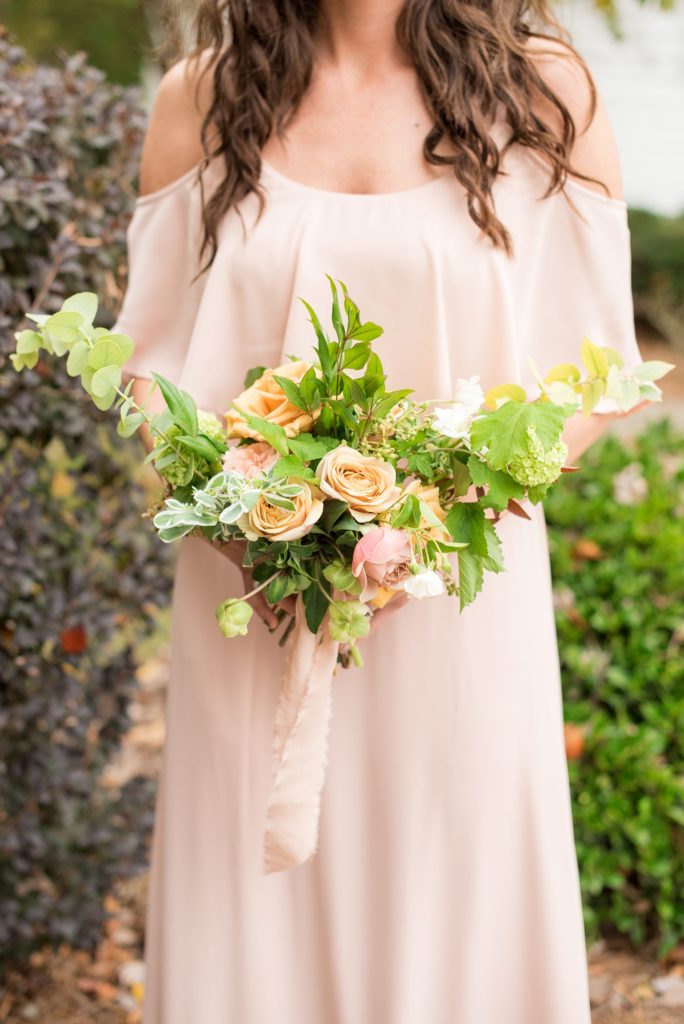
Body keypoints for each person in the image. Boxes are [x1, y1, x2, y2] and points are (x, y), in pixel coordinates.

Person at [112, 1, 644, 1021]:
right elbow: (148, 365)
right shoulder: (203, 98)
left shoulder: (541, 92)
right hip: (254, 602)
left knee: (455, 891)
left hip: (462, 603)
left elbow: (596, 373)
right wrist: (244, 517)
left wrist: (429, 522)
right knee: (257, 907)